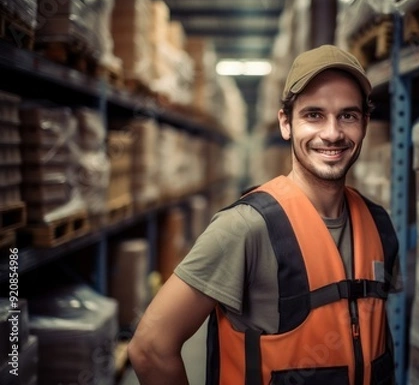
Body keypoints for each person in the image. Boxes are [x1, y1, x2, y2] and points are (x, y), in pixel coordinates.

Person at [128, 44, 402, 385]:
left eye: (347, 115)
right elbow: (150, 347)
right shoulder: (244, 226)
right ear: (286, 123)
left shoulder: (378, 224)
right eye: (314, 115)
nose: (332, 133)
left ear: (363, 123)